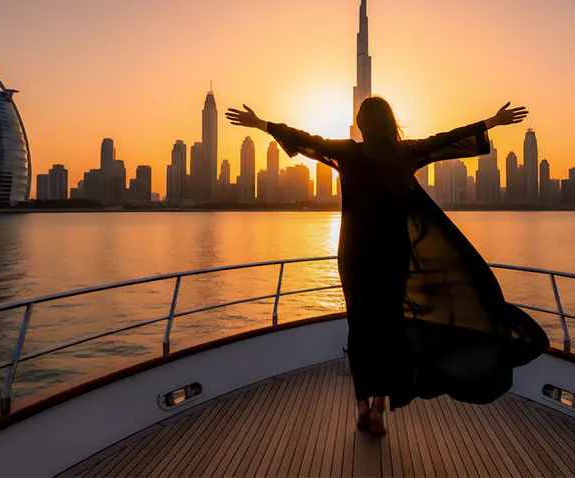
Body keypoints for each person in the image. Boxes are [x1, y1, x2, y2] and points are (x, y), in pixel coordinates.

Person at [226, 97, 548, 436]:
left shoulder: (347, 153)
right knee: (390, 328)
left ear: (362, 124)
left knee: (360, 328)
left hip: (356, 254)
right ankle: (379, 408)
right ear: (389, 122)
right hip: (393, 254)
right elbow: (447, 139)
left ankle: (362, 407)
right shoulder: (404, 152)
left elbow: (305, 140)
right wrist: (491, 122)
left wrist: (260, 124)